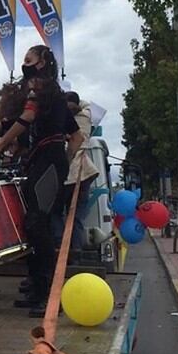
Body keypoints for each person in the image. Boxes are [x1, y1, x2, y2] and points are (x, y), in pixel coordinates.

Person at [0, 45, 84, 318]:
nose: (25, 65)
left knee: (38, 225)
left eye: (29, 60)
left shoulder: (40, 88)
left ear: (42, 62)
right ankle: (39, 289)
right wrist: (58, 155)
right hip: (47, 161)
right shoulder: (54, 94)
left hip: (48, 164)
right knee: (34, 225)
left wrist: (1, 145)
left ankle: (49, 295)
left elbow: (28, 118)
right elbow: (76, 137)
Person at [51, 92, 98, 251]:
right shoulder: (87, 117)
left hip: (71, 172)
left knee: (56, 211)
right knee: (76, 216)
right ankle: (75, 249)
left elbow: (71, 145)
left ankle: (59, 244)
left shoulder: (68, 119)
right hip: (84, 173)